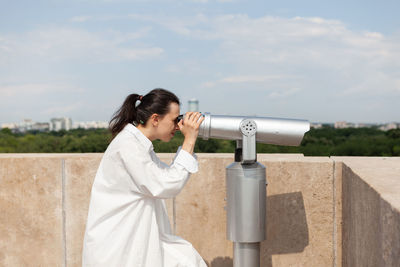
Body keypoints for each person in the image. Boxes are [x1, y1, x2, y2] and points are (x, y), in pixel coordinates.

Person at [82, 88, 207, 267]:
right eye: (174, 120)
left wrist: (189, 141)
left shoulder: (138, 145)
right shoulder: (128, 146)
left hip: (131, 239)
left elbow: (168, 176)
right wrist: (189, 141)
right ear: (155, 119)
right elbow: (166, 185)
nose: (178, 126)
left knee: (186, 259)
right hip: (117, 245)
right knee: (186, 260)